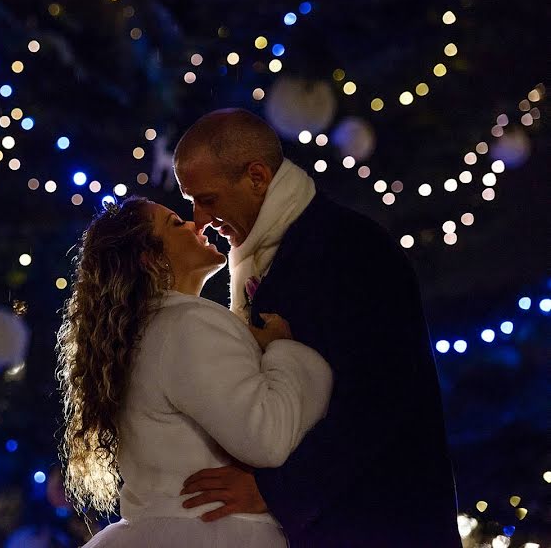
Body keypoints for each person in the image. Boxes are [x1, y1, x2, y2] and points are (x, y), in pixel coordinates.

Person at [174, 108, 461, 547]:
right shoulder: (268, 257)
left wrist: (277, 488)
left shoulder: (349, 247)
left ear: (256, 178)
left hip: (381, 525)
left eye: (208, 199)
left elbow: (381, 397)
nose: (199, 220)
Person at [57, 197, 333, 548]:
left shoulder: (137, 336)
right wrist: (285, 350)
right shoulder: (188, 324)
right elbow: (268, 438)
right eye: (175, 224)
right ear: (151, 258)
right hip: (217, 530)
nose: (195, 224)